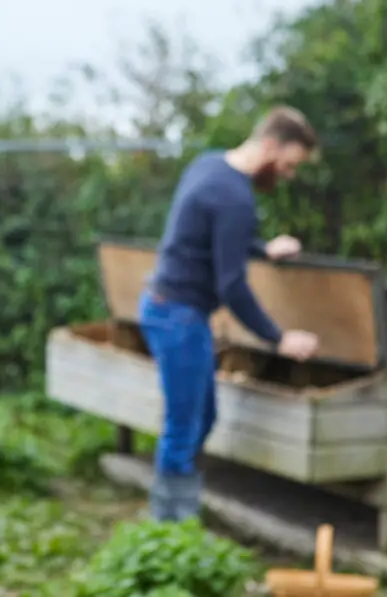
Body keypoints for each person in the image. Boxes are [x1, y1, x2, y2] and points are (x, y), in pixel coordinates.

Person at [139, 106, 321, 523]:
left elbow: (214, 237)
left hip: (169, 307)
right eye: (290, 164)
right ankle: (169, 534)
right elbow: (232, 287)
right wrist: (279, 338)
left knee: (203, 417)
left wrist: (262, 248)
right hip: (177, 316)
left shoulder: (210, 166)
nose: (289, 174)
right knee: (184, 429)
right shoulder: (236, 197)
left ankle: (173, 515)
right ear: (271, 145)